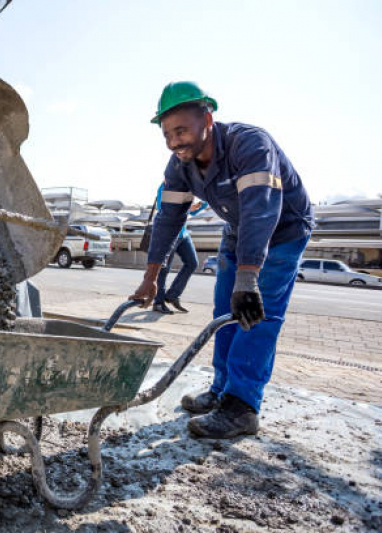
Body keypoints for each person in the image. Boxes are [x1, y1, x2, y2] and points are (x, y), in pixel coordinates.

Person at [131, 81, 313, 438]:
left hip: (282, 231)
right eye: (167, 134)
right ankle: (222, 389)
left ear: (207, 118)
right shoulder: (180, 165)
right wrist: (150, 278)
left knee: (255, 315)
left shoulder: (250, 144)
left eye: (181, 130)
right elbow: (168, 219)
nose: (174, 142)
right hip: (237, 230)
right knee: (226, 313)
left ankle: (242, 407)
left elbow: (262, 212)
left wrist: (249, 279)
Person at [151, 181, 207, 314]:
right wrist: (188, 208)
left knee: (192, 263)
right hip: (168, 233)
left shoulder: (189, 186)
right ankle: (158, 303)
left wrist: (204, 201)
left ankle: (173, 295)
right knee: (164, 269)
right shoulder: (165, 185)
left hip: (183, 234)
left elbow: (193, 212)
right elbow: (162, 207)